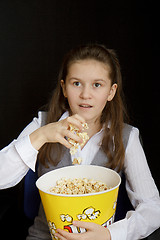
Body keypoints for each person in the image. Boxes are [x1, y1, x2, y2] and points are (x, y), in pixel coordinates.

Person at [0, 44, 160, 240]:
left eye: (97, 85)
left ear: (111, 92)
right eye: (76, 83)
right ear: (64, 88)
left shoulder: (127, 136)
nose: (85, 94)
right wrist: (41, 136)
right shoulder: (41, 125)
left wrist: (111, 234)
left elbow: (153, 208)